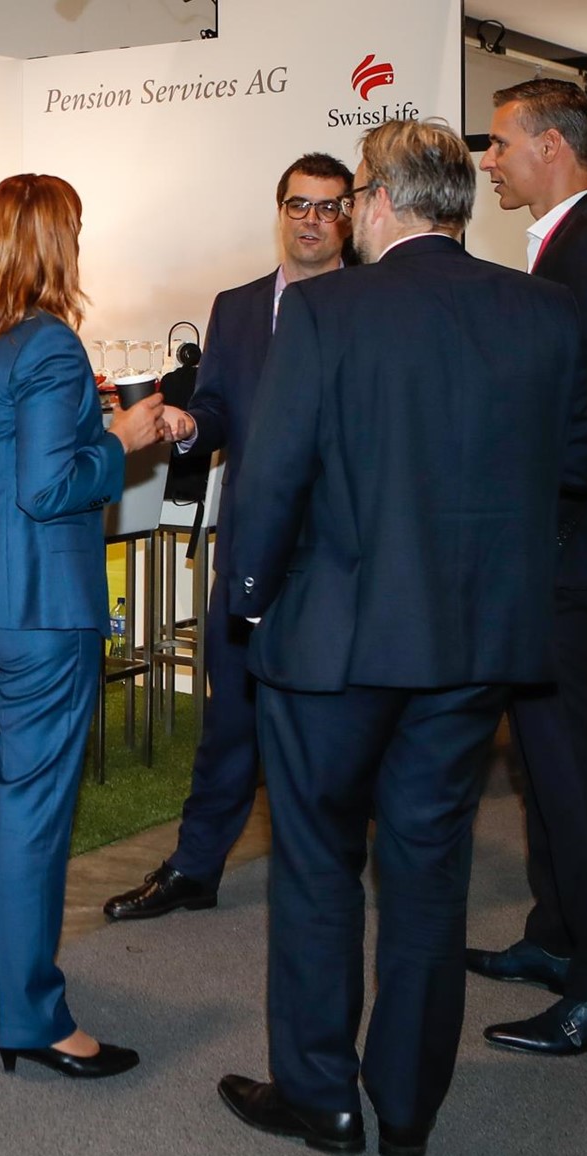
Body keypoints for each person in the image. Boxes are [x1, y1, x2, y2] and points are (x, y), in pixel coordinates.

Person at [215, 118, 587, 1156]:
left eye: (350, 201)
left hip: (331, 648)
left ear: (379, 202)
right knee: (430, 874)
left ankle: (321, 1097)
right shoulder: (543, 310)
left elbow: (274, 475)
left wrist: (247, 601)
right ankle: (409, 1108)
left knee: (318, 867)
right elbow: (578, 463)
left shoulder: (324, 310)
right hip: (473, 643)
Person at [0, 174, 168, 1078]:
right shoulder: (52, 346)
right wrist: (121, 440)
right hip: (35, 608)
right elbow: (47, 486)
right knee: (30, 807)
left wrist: (87, 431)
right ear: (56, 241)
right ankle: (31, 1015)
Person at [465, 78, 587, 1056]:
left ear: (552, 145)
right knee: (543, 767)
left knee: (571, 770)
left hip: (565, 559)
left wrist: (539, 536)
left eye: (501, 143)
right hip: (559, 552)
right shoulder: (567, 243)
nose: (489, 161)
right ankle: (557, 937)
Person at [102, 153, 354, 922]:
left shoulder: (372, 303)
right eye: (299, 204)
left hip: (337, 559)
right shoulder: (238, 308)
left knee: (330, 729)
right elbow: (216, 409)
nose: (311, 220)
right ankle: (194, 867)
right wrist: (187, 425)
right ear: (280, 211)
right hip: (248, 550)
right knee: (230, 721)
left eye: (328, 206)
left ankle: (325, 880)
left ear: (350, 217)